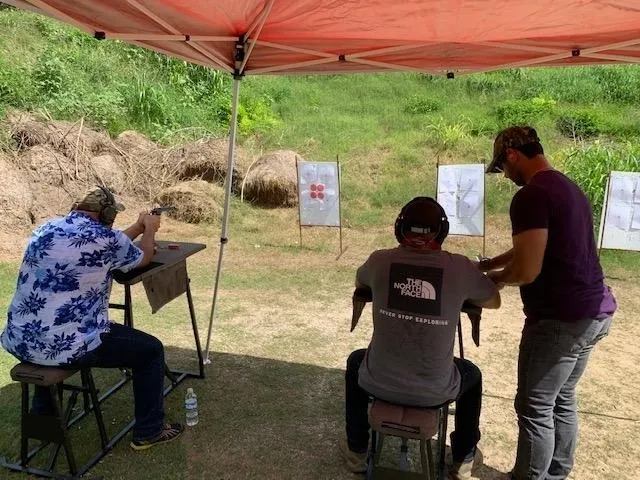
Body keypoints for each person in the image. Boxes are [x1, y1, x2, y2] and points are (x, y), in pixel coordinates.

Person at [1, 186, 184, 451]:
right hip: (69, 346)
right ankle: (149, 431)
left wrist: (137, 226)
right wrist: (150, 230)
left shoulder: (45, 229)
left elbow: (108, 243)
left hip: (20, 339)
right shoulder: (106, 240)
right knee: (151, 351)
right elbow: (143, 257)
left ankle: (44, 415)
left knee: (49, 333)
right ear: (107, 214)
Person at [481, 126, 617, 480]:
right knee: (561, 399)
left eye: (503, 166)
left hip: (560, 318)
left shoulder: (531, 196)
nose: (505, 175)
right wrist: (490, 264)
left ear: (513, 154)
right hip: (593, 312)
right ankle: (556, 473)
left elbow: (526, 268)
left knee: (535, 406)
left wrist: (495, 279)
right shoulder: (566, 187)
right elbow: (532, 243)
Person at [340, 197, 501, 480]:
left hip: (377, 383)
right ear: (443, 232)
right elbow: (493, 301)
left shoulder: (380, 260)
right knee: (471, 375)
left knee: (356, 360)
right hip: (435, 392)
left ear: (399, 229)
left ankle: (356, 451)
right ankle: (463, 458)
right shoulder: (460, 268)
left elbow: (360, 282)